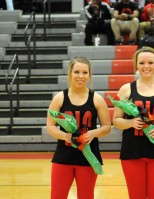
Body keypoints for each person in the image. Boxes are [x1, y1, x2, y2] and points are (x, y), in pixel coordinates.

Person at [112, 47, 154, 199]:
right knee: (136, 196)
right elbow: (116, 121)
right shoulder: (126, 89)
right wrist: (131, 123)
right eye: (141, 63)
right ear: (136, 65)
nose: (146, 66)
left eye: (150, 62)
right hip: (132, 151)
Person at [46, 56, 111, 199]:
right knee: (57, 196)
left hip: (88, 157)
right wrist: (66, 136)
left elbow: (107, 127)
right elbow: (50, 126)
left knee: (86, 196)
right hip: (63, 156)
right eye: (76, 72)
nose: (80, 76)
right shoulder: (59, 98)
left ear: (89, 75)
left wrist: (92, 133)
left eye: (84, 72)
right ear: (70, 73)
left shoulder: (96, 99)